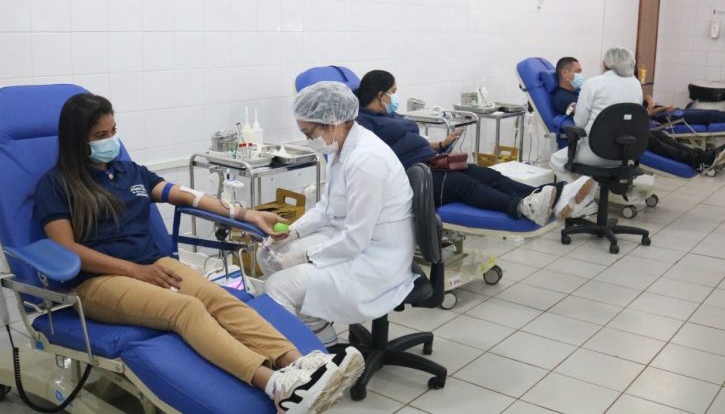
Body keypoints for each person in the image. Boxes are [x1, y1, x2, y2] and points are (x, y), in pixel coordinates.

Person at [34, 93, 364, 414]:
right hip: (97, 281)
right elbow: (66, 249)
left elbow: (186, 195)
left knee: (218, 297)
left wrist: (246, 214)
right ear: (77, 140)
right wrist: (135, 271)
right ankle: (276, 386)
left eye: (113, 131)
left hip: (152, 265)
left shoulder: (128, 172)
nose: (110, 140)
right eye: (100, 136)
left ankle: (301, 365)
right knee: (186, 308)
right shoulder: (58, 185)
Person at [257, 81, 418, 347]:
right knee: (268, 255)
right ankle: (318, 329)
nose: (309, 141)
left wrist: (304, 256)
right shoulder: (339, 147)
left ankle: (306, 355)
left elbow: (355, 240)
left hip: (376, 257)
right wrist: (293, 233)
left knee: (278, 287)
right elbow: (327, 207)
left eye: (309, 133)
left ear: (332, 122)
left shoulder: (366, 161)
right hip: (351, 239)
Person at [353, 69, 595, 224]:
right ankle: (522, 206)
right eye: (393, 92)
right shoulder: (363, 122)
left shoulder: (390, 116)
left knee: (488, 175)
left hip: (432, 162)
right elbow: (378, 155)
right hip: (414, 176)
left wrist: (441, 144)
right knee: (464, 185)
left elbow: (412, 142)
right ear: (380, 95)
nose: (396, 97)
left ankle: (556, 194)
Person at [553, 56, 725, 173]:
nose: (581, 75)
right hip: (603, 136)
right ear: (564, 73)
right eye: (578, 71)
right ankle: (697, 159)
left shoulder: (582, 90)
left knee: (658, 136)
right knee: (649, 139)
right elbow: (583, 117)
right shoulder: (561, 97)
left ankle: (700, 157)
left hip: (615, 128)